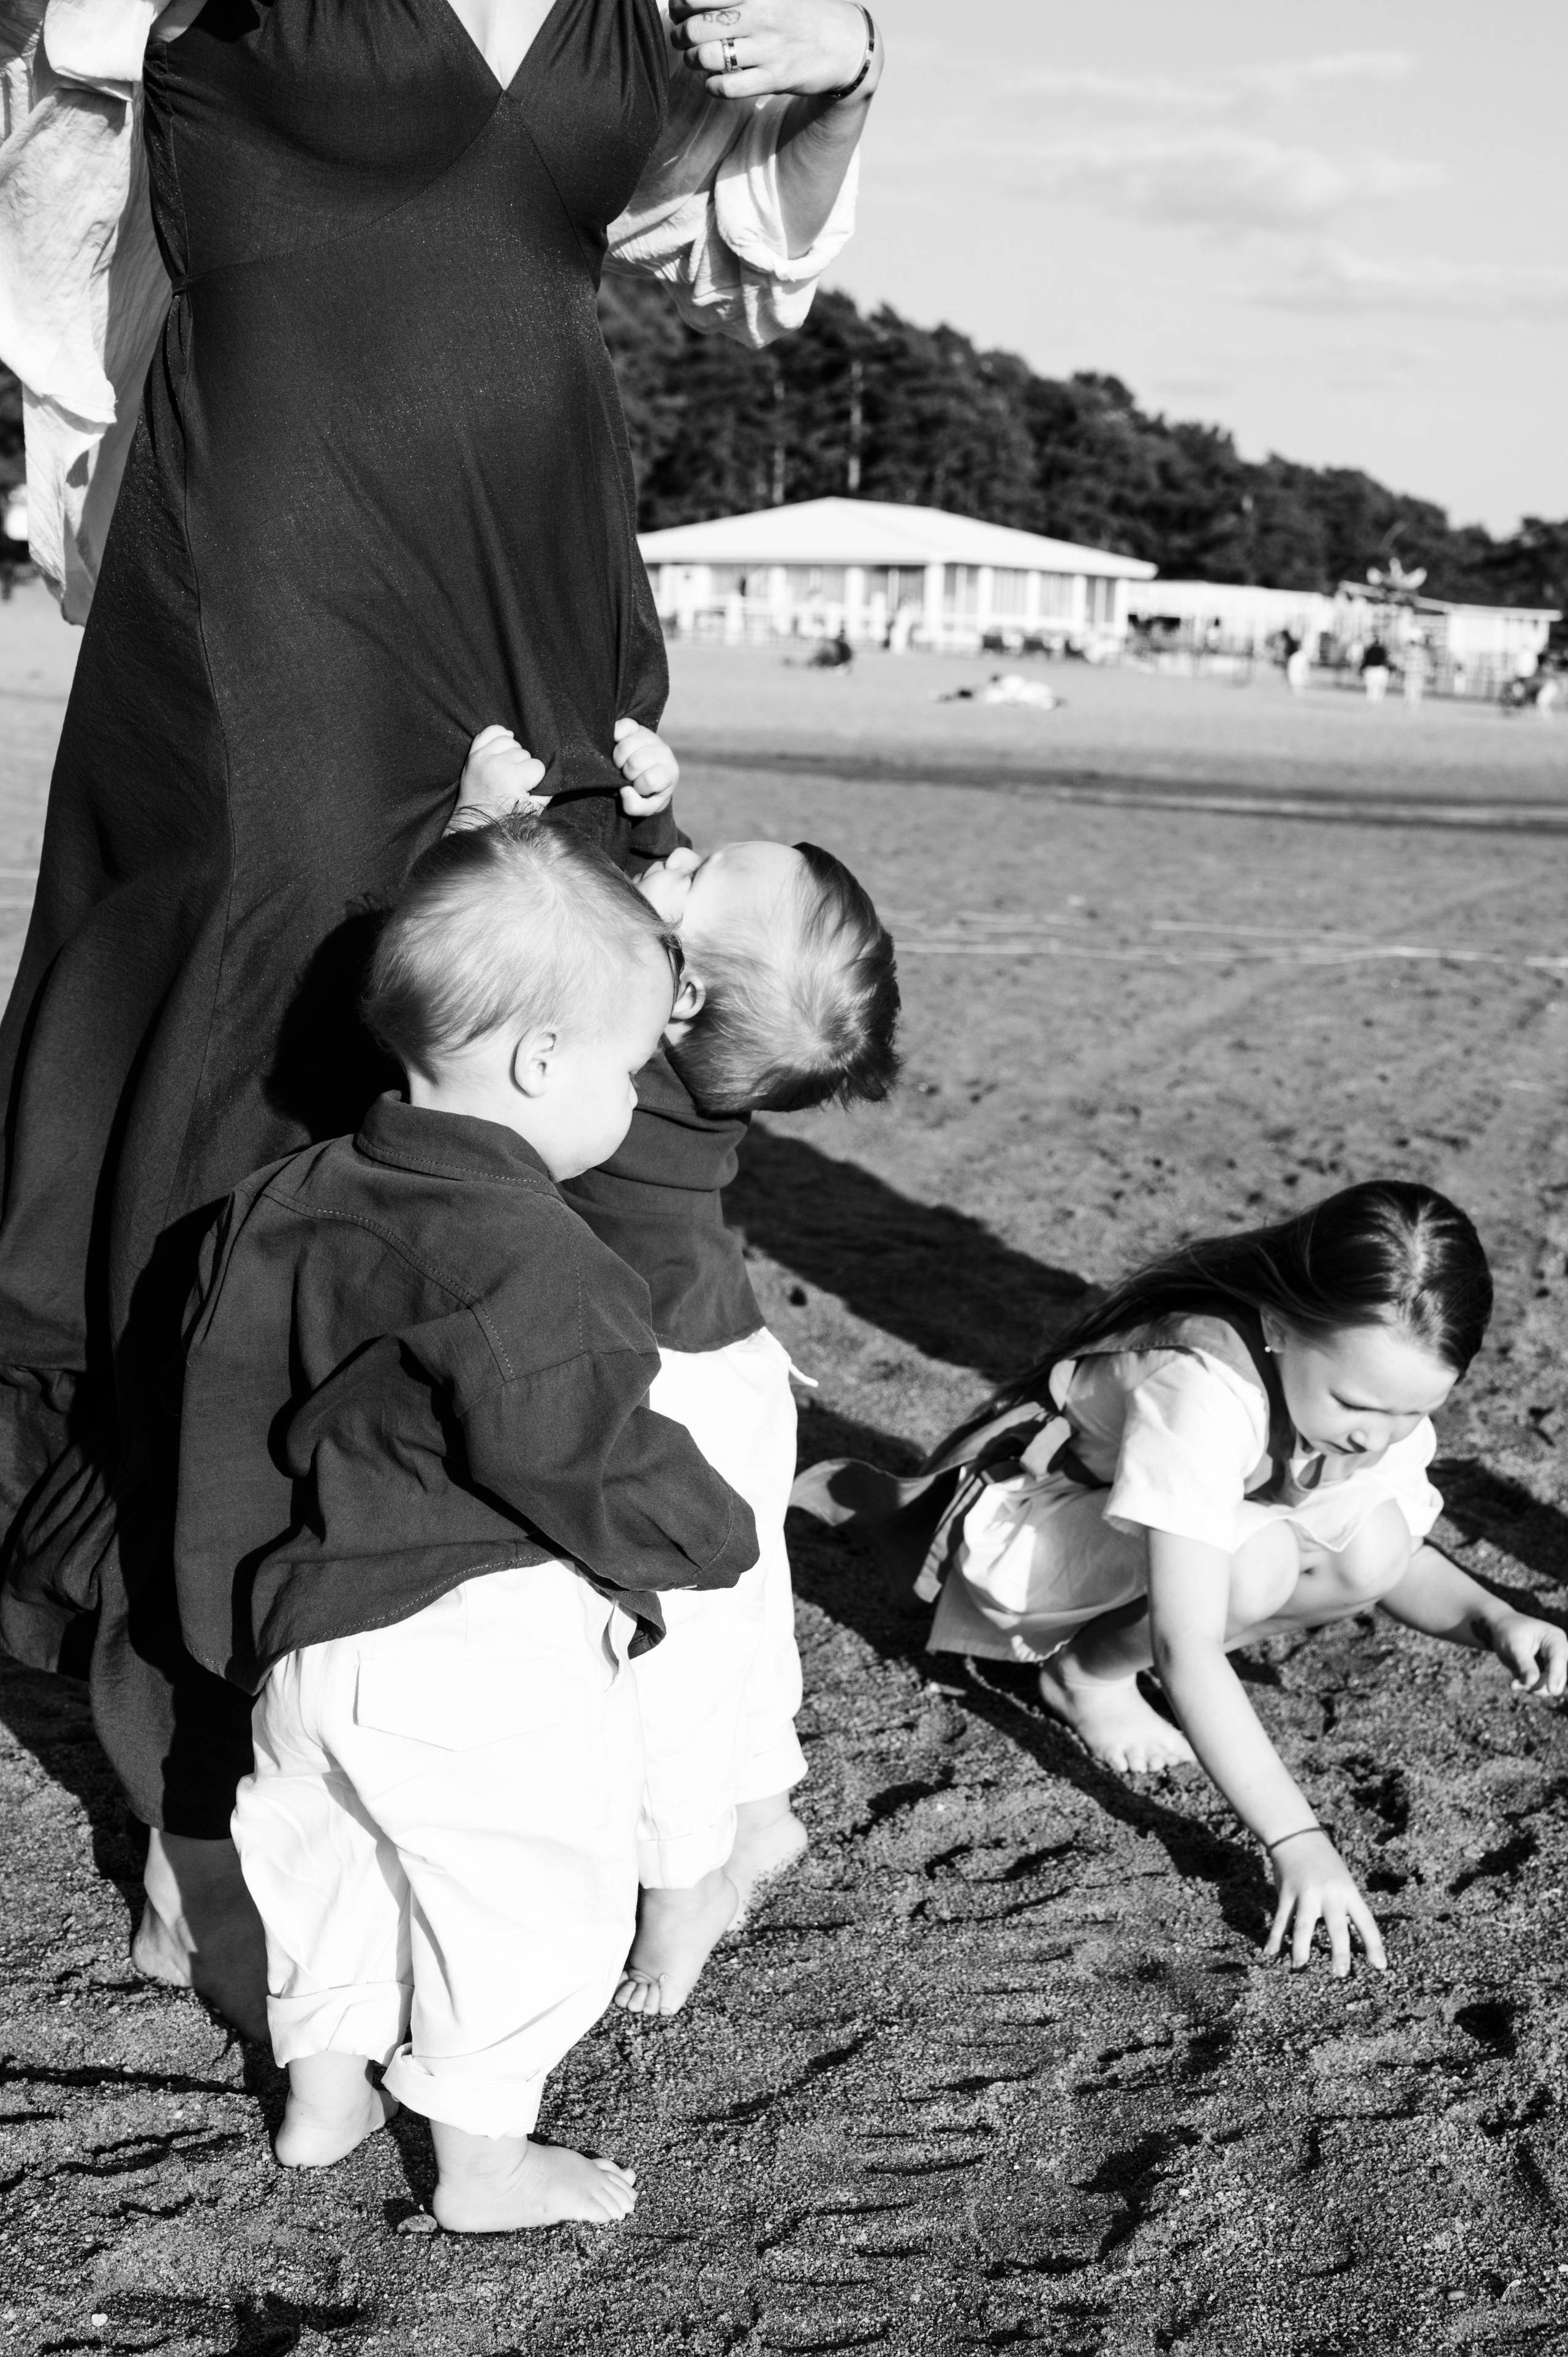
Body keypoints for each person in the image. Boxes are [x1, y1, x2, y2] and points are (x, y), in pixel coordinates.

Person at [0, 0, 881, 2037]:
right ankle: (198, 1785)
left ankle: (451, 1702)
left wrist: (844, 60)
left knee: (528, 1089)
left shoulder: (650, 10)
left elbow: (744, 228)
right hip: (274, 561)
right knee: (250, 1081)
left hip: (549, 569)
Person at [175, 815, 761, 2230]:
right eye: (625, 1071)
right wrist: (711, 1528)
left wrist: (226, 1619)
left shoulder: (281, 1201)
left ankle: (325, 2083)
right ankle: (486, 2158)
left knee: (336, 1867)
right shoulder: (534, 1255)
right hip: (470, 1642)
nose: (630, 1102)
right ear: (540, 1061)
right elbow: (583, 1450)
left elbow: (216, 1408)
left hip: (308, 1633)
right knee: (532, 1897)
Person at [794, 1182, 1568, 1978]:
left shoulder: (1372, 1401)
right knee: (1257, 1565)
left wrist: (1493, 1617)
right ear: (1278, 1326)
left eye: (1413, 1415)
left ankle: (1101, 1656)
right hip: (1030, 1537)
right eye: (1356, 1405)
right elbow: (1188, 1645)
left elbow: (1396, 1560)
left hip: (1142, 1537)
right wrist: (1298, 1842)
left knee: (1373, 1542)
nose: (1379, 1436)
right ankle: (1087, 1677)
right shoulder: (1202, 1385)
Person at [453, 721, 901, 2013]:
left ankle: (683, 1882)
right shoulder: (692, 1054)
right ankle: (761, 1812)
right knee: (743, 1610)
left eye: (692, 870)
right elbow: (640, 923)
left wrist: (488, 830)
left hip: (674, 1388)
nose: (675, 857)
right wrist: (651, 821)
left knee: (677, 1662)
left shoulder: (617, 1043)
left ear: (676, 996)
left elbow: (524, 945)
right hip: (732, 1362)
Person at [1360, 638, 1392, 703]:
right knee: (1378, 686)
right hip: (1379, 670)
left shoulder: (1370, 650)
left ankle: (1370, 699)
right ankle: (1376, 700)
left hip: (1370, 669)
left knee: (1370, 686)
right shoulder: (1383, 650)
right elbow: (1386, 661)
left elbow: (1365, 661)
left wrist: (1362, 669)